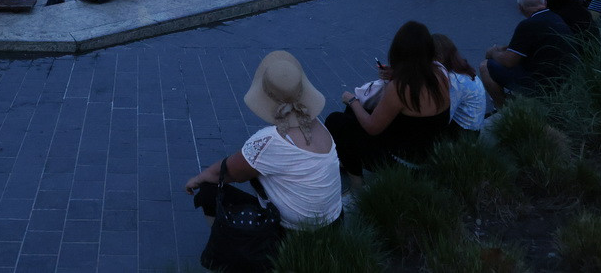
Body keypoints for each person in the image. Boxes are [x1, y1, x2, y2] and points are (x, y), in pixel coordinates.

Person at [185, 51, 342, 230]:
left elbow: (228, 173)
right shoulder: (317, 123)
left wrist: (198, 179)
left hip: (296, 230)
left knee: (208, 191)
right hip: (333, 220)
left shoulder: (271, 140)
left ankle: (222, 243)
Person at [326, 21, 451, 184]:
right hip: (428, 151)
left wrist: (352, 100)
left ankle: (357, 183)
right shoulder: (441, 72)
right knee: (352, 114)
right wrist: (396, 73)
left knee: (336, 120)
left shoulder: (399, 88)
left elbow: (372, 127)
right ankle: (348, 159)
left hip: (402, 162)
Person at [479, 0, 575, 108]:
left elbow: (509, 61)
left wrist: (493, 52)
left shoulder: (528, 25)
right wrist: (504, 49)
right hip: (562, 79)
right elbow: (524, 45)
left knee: (485, 66)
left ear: (520, 8)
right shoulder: (556, 18)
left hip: (541, 84)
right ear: (544, 3)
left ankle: (502, 107)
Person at [432, 34, 484, 136]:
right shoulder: (460, 70)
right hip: (471, 127)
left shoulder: (454, 81)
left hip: (465, 134)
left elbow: (444, 118)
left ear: (439, 58)